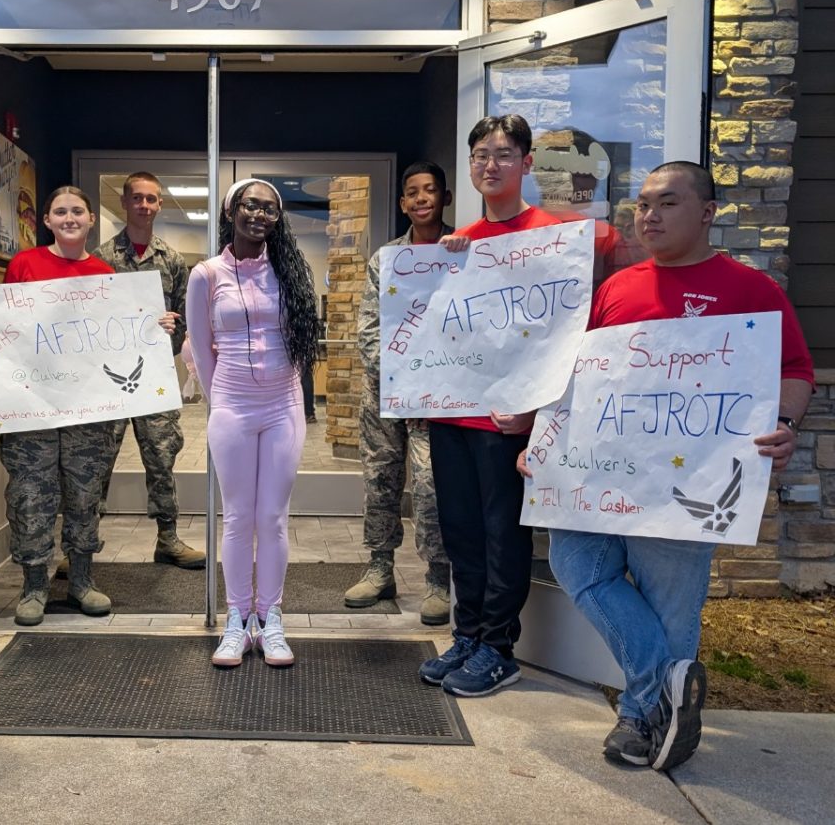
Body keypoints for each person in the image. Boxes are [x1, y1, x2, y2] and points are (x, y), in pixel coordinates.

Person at [520, 161, 813, 770]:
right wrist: (544, 441)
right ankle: (671, 688)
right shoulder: (618, 289)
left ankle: (639, 716)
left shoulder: (750, 290)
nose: (648, 215)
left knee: (671, 603)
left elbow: (795, 370)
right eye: (642, 204)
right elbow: (584, 378)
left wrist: (784, 426)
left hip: (690, 482)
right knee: (579, 567)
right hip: (599, 476)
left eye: (668, 203)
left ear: (707, 213)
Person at [0, 187, 177, 626]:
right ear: (46, 219)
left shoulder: (105, 272)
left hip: (88, 410)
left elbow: (121, 341)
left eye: (77, 212)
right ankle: (34, 585)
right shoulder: (23, 265)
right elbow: (4, 331)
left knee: (85, 494)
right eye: (60, 211)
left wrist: (153, 327)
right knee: (31, 493)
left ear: (89, 220)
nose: (70, 218)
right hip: (33, 407)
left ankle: (82, 580)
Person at [418, 115, 562, 697]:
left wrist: (538, 413)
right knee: (461, 531)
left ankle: (500, 647)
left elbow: (561, 335)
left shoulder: (551, 238)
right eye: (480, 155)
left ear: (526, 163)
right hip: (452, 412)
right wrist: (444, 263)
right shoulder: (462, 241)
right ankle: (469, 634)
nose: (490, 165)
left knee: (503, 533)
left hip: (508, 420)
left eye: (503, 155)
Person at [186, 179, 321, 667]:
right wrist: (218, 396)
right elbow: (201, 348)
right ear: (231, 210)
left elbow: (302, 342)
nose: (260, 215)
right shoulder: (205, 274)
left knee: (273, 517)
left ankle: (271, 618)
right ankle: (237, 620)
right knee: (239, 517)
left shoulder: (290, 272)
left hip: (282, 406)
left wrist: (285, 388)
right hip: (233, 406)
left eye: (270, 208)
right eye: (251, 205)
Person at [345, 160, 453, 626]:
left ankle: (437, 579)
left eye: (430, 190)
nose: (421, 198)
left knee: (432, 486)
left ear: (444, 197)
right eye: (413, 192)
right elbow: (369, 327)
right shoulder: (385, 259)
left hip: (441, 395)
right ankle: (380, 568)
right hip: (387, 391)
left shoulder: (462, 252)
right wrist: (397, 376)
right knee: (381, 479)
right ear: (403, 202)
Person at [94, 172, 205, 569]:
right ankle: (83, 546)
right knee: (97, 459)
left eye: (152, 199)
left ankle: (168, 539)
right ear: (125, 203)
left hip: (154, 375)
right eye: (137, 198)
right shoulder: (101, 258)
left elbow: (183, 318)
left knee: (162, 457)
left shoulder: (173, 261)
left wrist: (173, 333)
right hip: (107, 379)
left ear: (160, 205)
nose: (144, 205)